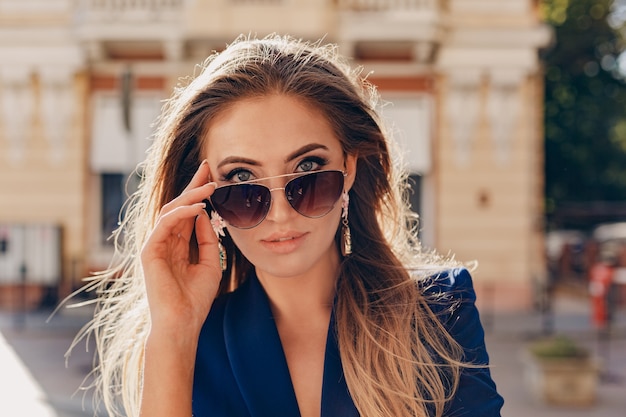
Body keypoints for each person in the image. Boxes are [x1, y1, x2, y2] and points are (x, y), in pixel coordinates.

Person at [79, 34, 503, 417]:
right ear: (205, 196)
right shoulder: (194, 342)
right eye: (242, 180)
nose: (281, 214)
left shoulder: (439, 310)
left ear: (349, 169)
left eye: (308, 168)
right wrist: (172, 333)